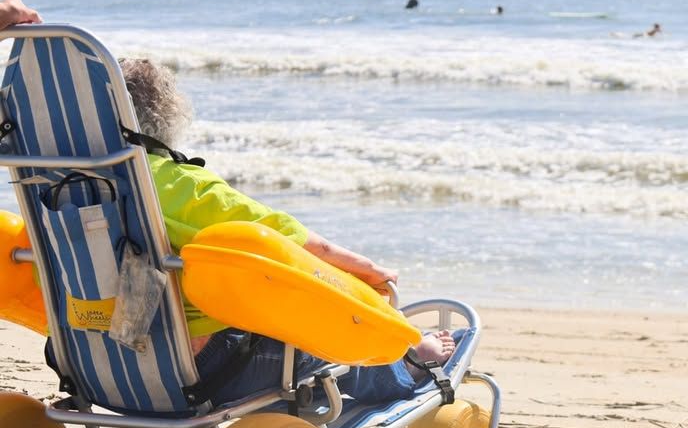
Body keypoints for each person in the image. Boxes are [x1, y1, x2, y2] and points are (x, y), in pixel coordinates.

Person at [118, 58, 455, 406]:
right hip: (201, 371)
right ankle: (407, 367)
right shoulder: (181, 185)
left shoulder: (64, 187)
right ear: (165, 116)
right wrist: (371, 272)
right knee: (324, 324)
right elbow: (300, 245)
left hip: (101, 371)